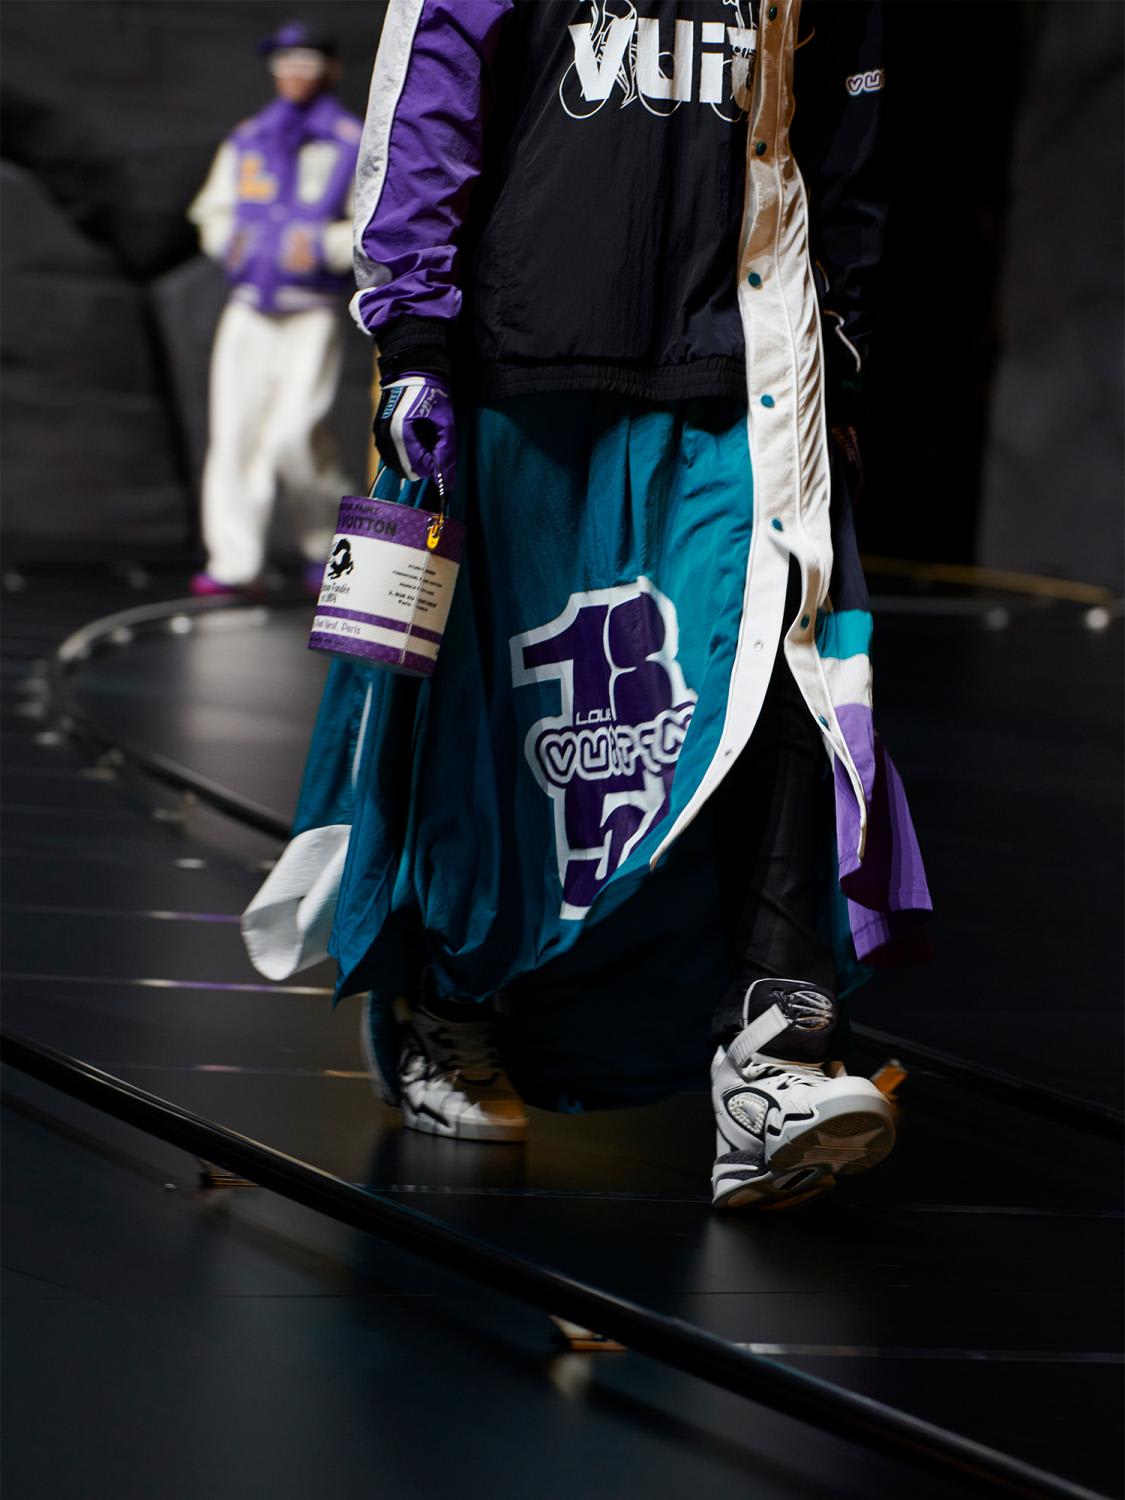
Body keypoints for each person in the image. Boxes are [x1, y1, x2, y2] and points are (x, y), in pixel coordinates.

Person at [242, 0, 931, 1211]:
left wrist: (849, 354)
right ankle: (446, 1003)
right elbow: (434, 83)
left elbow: (850, 157)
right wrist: (412, 334)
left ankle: (771, 1051)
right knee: (491, 725)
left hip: (749, 374)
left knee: (780, 676)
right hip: (525, 369)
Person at [187, 21, 362, 596]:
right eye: (286, 63)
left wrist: (322, 245)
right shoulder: (250, 137)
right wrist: (233, 242)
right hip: (249, 307)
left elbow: (372, 222)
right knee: (234, 434)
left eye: (307, 63)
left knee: (296, 435)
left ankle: (330, 547)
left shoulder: (350, 139)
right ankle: (234, 561)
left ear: (330, 71)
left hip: (309, 308)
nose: (295, 74)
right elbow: (212, 211)